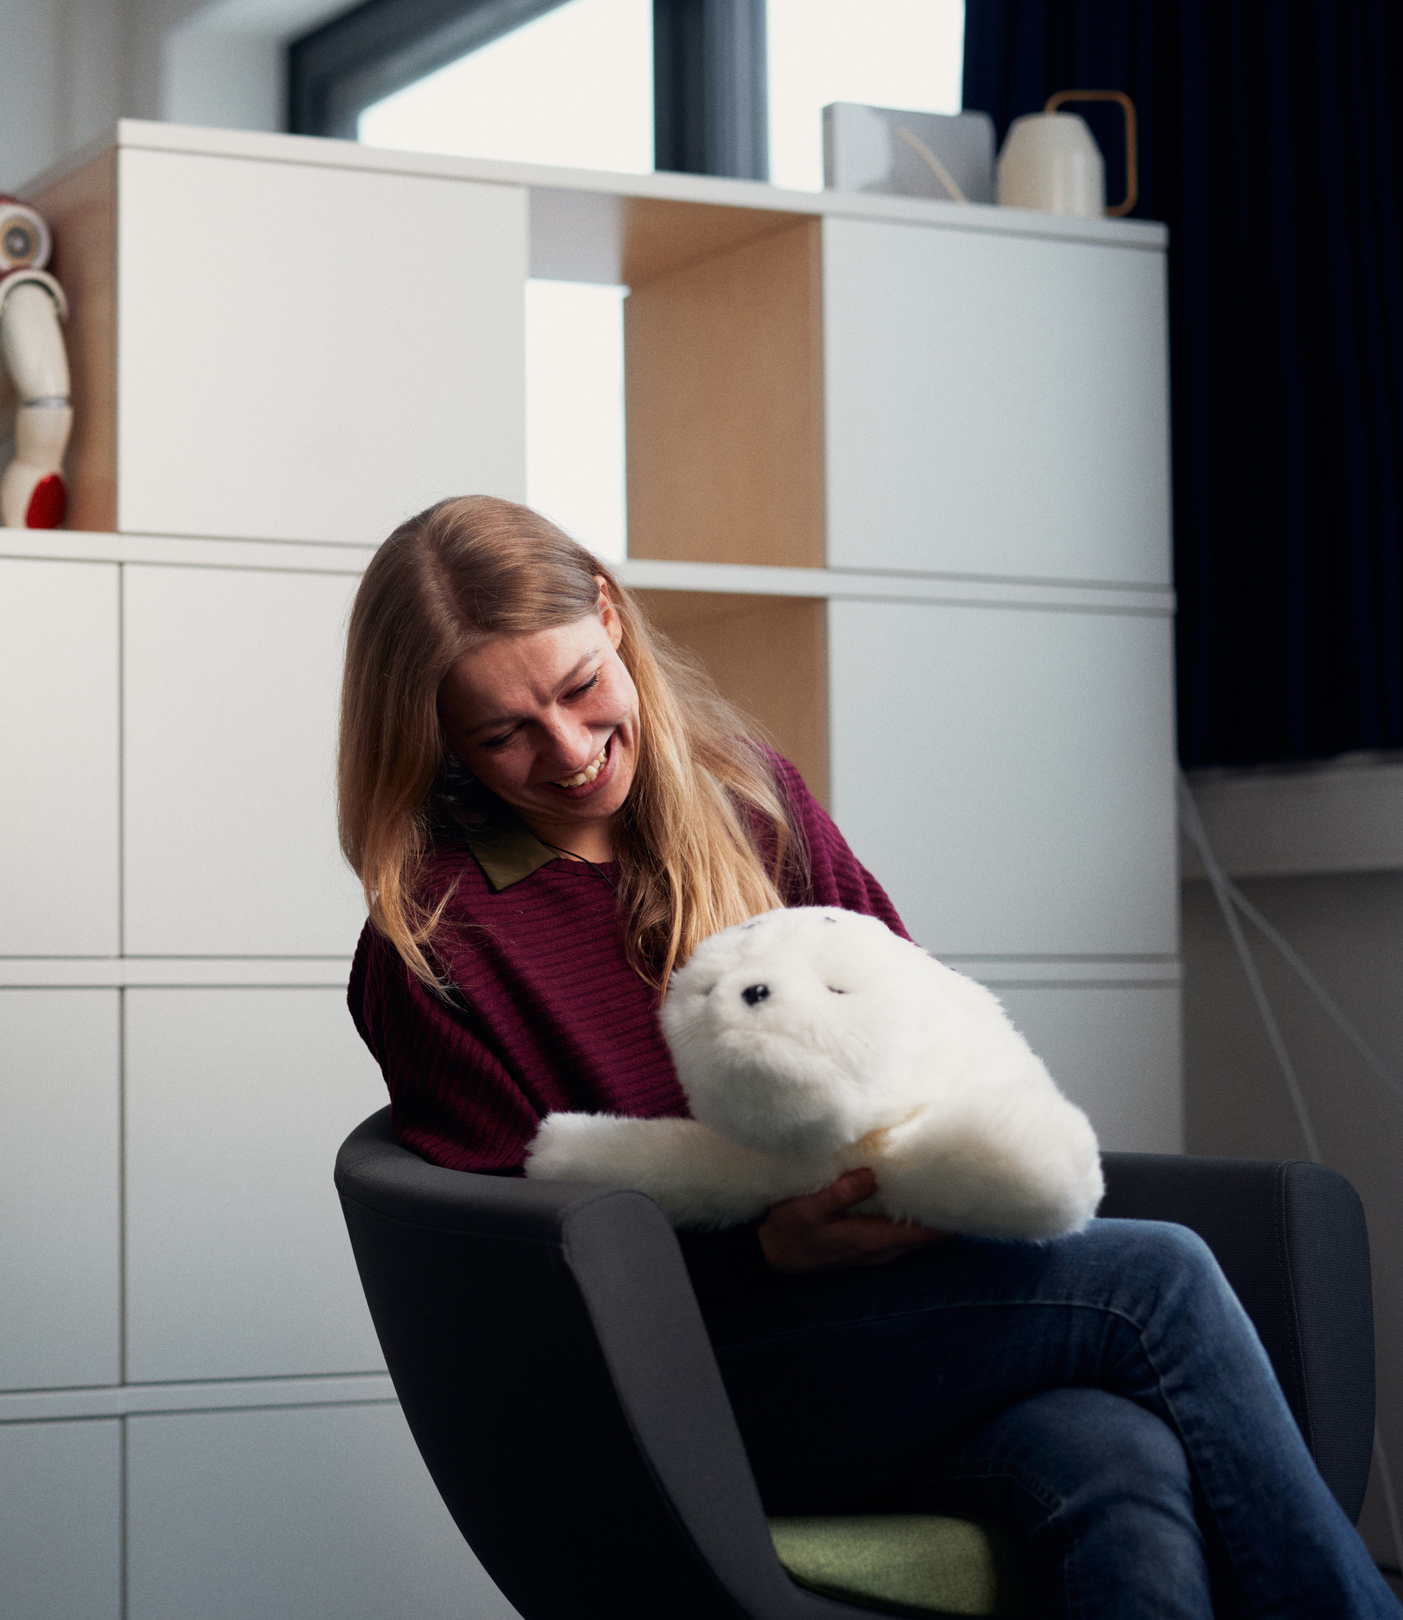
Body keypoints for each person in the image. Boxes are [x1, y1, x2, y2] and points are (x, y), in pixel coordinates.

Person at [339, 494, 1399, 1619]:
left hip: (901, 1323)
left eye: (580, 686)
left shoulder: (752, 802)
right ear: (437, 737)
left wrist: (948, 1171)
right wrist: (766, 1254)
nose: (568, 750)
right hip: (694, 1383)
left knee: (1112, 1456)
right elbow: (513, 1289)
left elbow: (919, 1023)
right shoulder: (434, 943)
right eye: (503, 733)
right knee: (1157, 1279)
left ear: (609, 615)